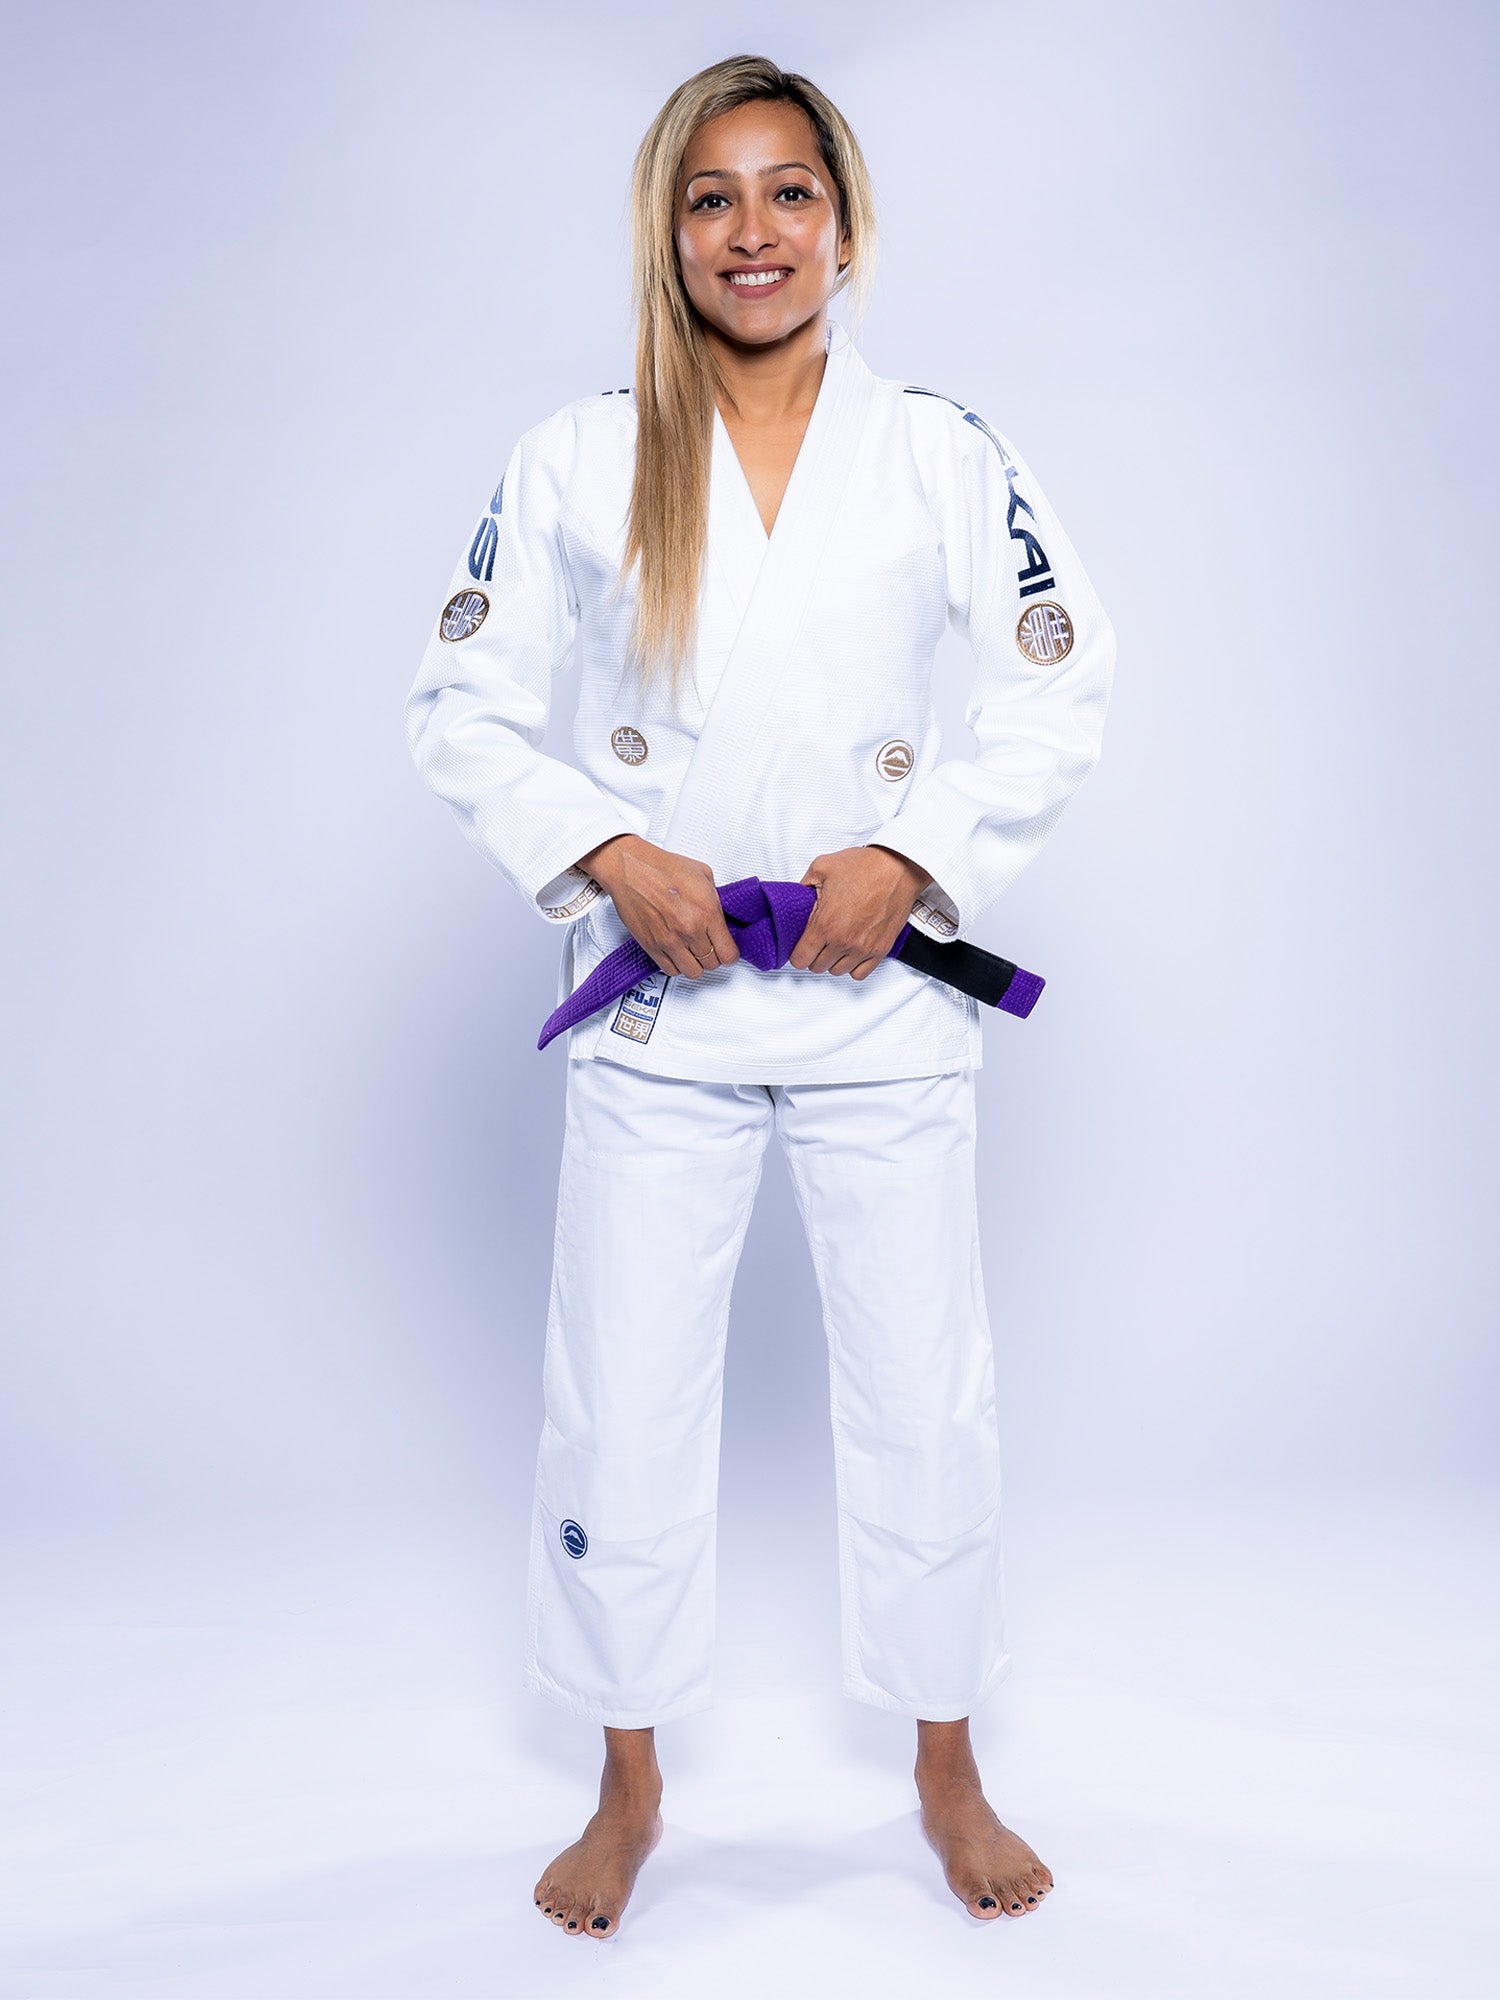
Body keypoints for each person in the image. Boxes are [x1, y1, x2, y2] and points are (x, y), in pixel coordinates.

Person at [405, 53, 1115, 1939]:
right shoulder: (576, 453)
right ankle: (629, 1782)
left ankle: (946, 1764)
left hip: (880, 998)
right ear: (670, 234)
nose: (754, 230)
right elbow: (460, 705)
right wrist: (606, 853)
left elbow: (1059, 679)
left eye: (788, 192)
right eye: (711, 198)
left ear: (848, 224)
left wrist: (921, 857)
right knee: (623, 1399)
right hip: (663, 998)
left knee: (922, 1393)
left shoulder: (948, 449)